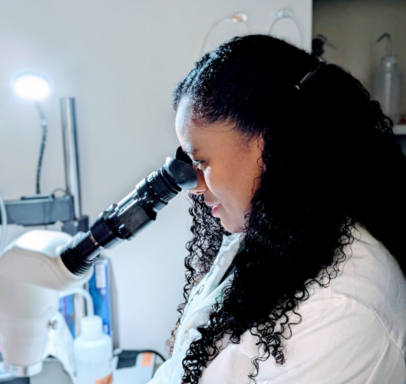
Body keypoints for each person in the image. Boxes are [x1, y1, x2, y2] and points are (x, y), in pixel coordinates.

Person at [149, 35, 406, 384]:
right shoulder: (278, 235)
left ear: (276, 144)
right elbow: (182, 367)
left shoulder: (340, 311)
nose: (193, 185)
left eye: (200, 161)